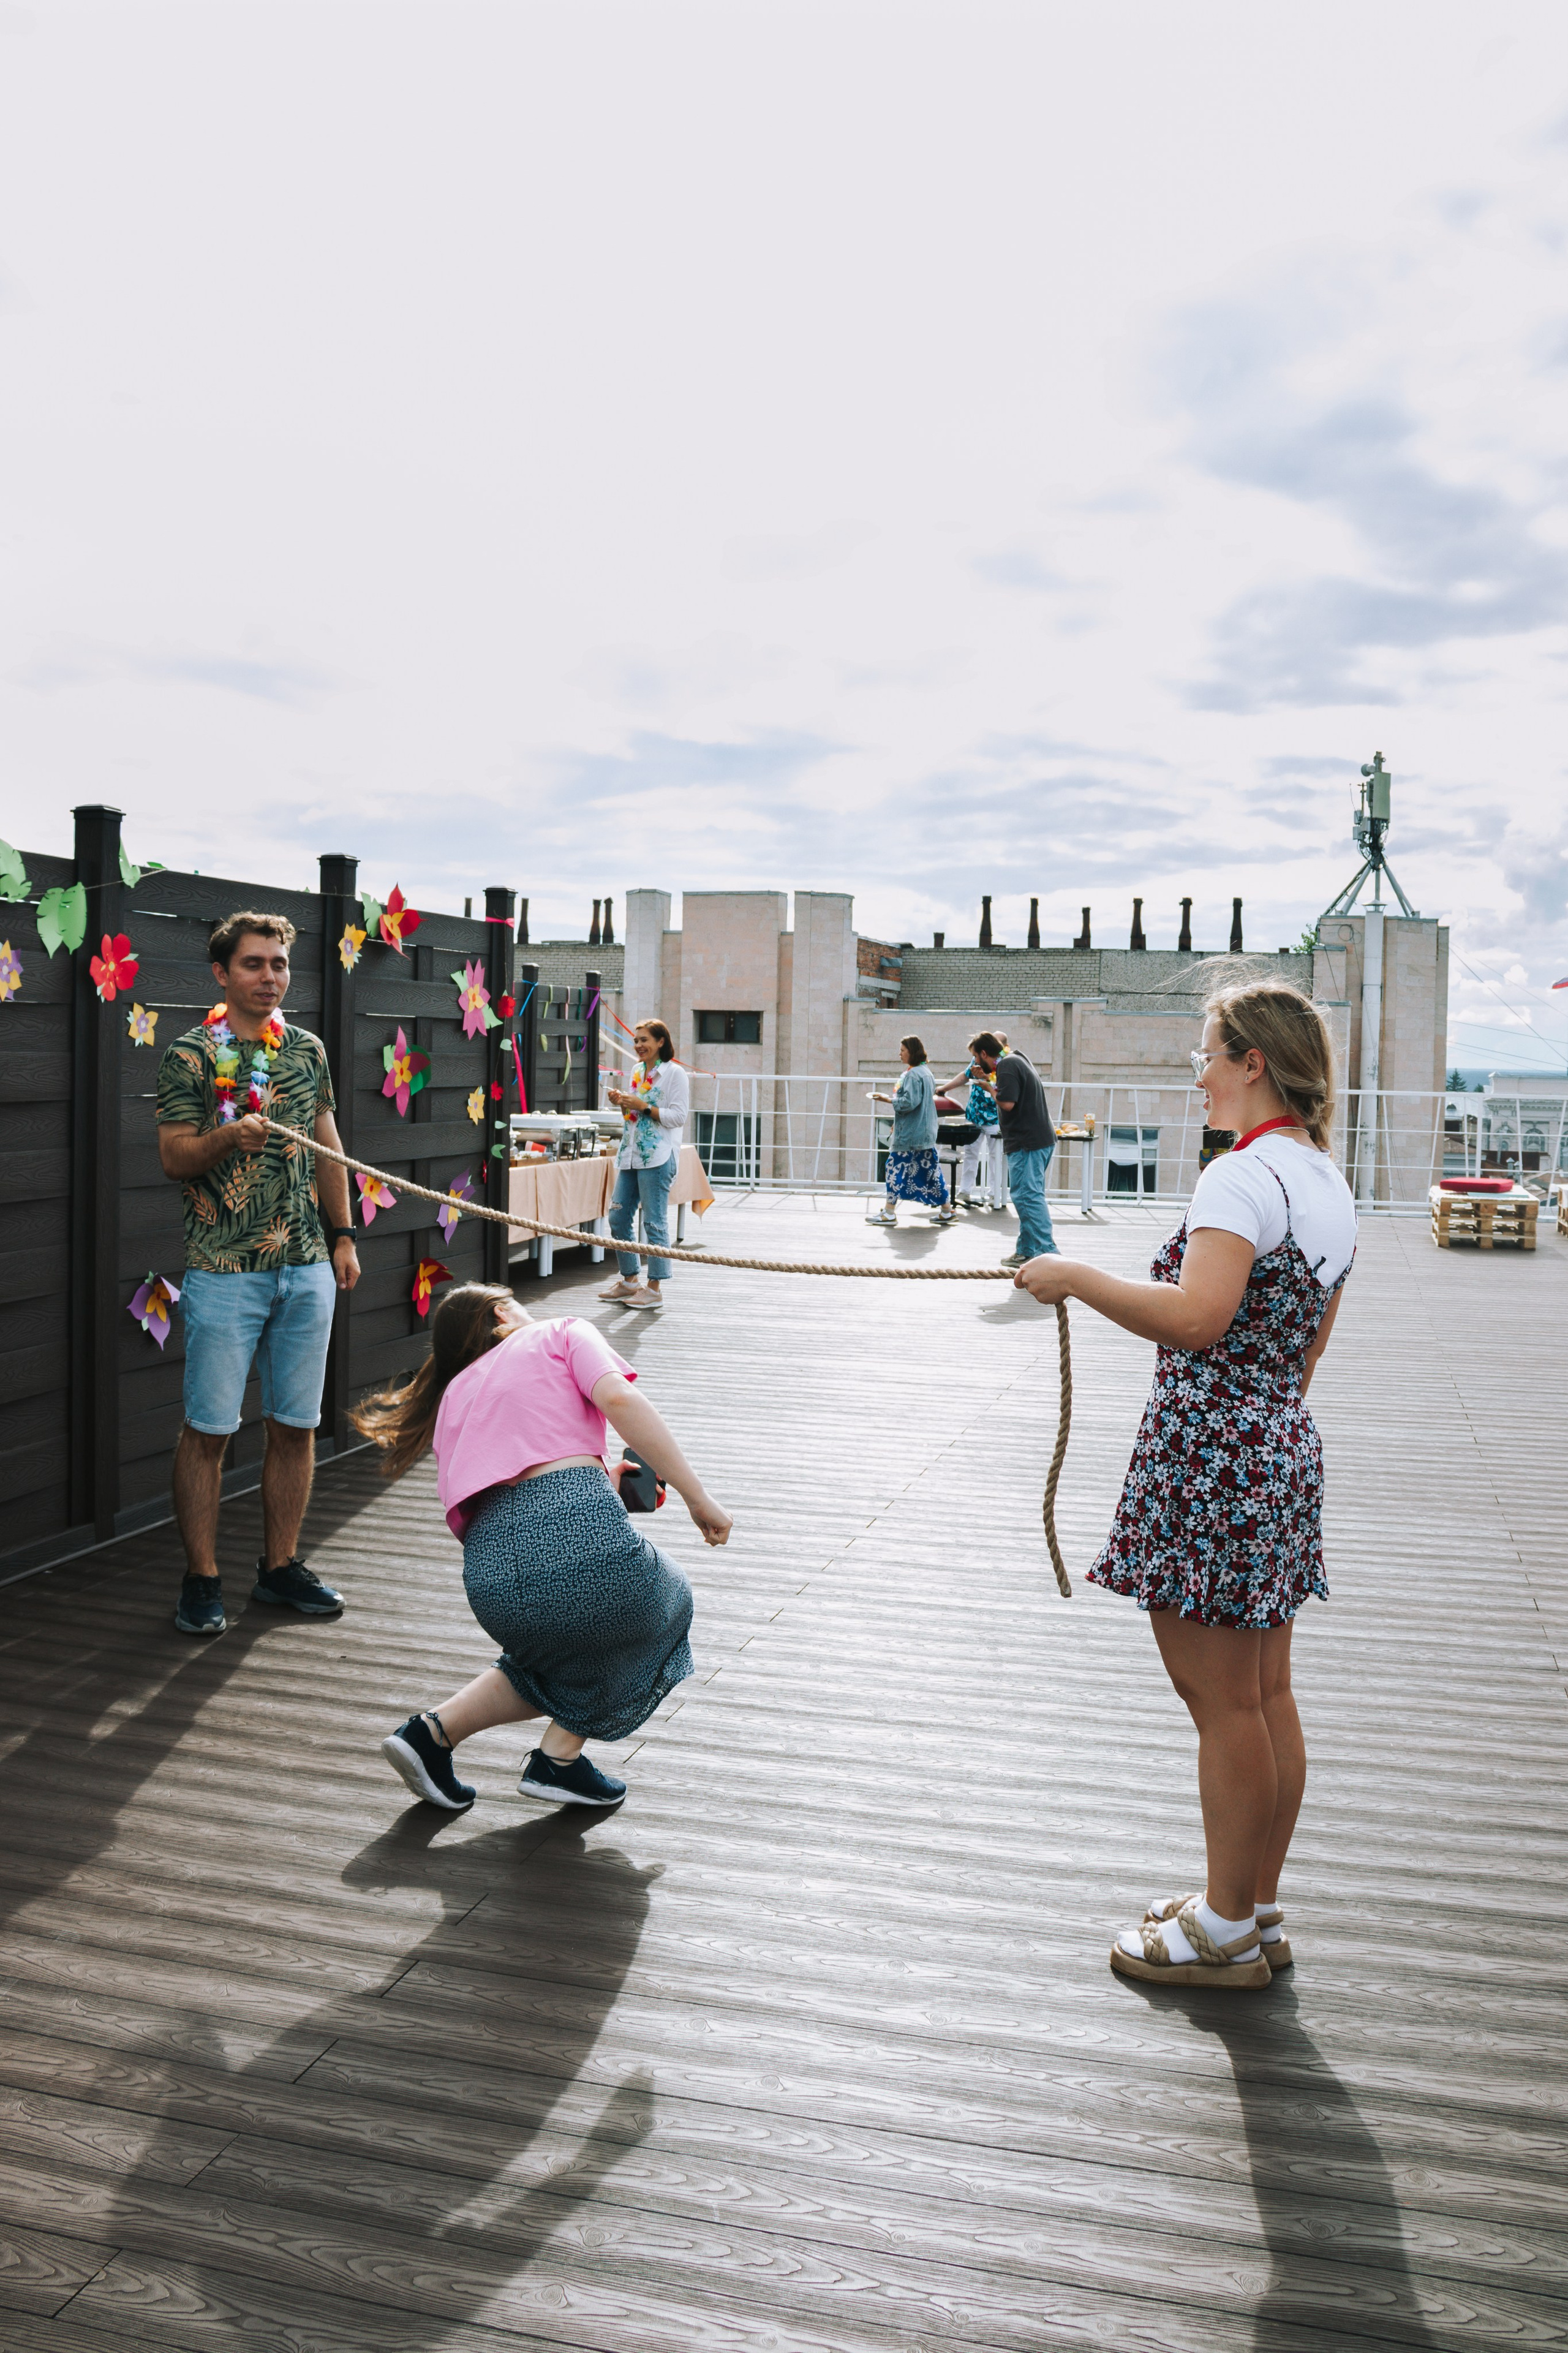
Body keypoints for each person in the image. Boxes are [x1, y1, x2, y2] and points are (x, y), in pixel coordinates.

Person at [1016, 978, 1356, 1989]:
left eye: (1207, 1056)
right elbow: (1304, 1352)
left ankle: (1221, 1931)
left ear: (1253, 1061)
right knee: (1266, 1694)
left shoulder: (1239, 1178)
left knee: (1223, 1705)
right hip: (1279, 1447)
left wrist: (1073, 1275)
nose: (1199, 1076)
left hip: (1209, 1458)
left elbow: (1200, 1317)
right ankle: (1252, 1906)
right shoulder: (1325, 1179)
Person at [353, 1282, 731, 1811]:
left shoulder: (454, 1394)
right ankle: (559, 1759)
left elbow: (513, 1483)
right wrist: (698, 1497)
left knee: (556, 1652)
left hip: (489, 1578)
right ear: (501, 1313)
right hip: (577, 1542)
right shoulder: (561, 1333)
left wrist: (602, 1483)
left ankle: (430, 1735)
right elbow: (619, 1399)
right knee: (666, 1601)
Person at [156, 912, 361, 1636]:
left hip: (307, 1266)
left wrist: (343, 1235)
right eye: (254, 963)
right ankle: (201, 1579)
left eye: (279, 963)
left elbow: (330, 1147)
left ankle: (279, 1567)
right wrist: (225, 1138)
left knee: (296, 1427)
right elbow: (174, 1156)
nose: (270, 976)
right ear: (222, 973)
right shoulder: (189, 1054)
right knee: (209, 1430)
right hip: (224, 1271)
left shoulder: (306, 1050)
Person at [601, 1019, 689, 1310]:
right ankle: (630, 1281)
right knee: (617, 1217)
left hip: (658, 1156)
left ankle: (655, 1288)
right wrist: (623, 1103)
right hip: (630, 1154)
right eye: (636, 1041)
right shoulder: (637, 1071)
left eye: (644, 1040)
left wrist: (642, 1106)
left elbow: (678, 1117)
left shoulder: (675, 1074)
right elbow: (633, 1117)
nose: (638, 1045)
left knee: (654, 1222)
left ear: (661, 1041)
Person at [968, 1031, 1054, 1265]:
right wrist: (990, 1077)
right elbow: (1010, 1089)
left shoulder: (1006, 1065)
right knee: (1027, 1196)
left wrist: (988, 1087)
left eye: (976, 1057)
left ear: (984, 1053)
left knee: (1028, 1197)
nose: (975, 1062)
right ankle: (1026, 1250)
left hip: (1027, 1143)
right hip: (1039, 1139)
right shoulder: (1016, 1058)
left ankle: (1049, 1255)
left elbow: (1007, 1103)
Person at [865, 1036, 953, 1227]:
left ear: (912, 1052)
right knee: (931, 1170)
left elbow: (909, 1103)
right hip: (925, 1131)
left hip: (911, 1134)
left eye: (902, 1050)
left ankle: (889, 1212)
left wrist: (887, 1100)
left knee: (894, 1168)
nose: (900, 1054)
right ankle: (947, 1210)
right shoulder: (926, 1072)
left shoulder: (913, 1075)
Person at [938, 1042, 1003, 1209]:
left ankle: (995, 1195)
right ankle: (965, 1191)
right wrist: (944, 1089)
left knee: (995, 1157)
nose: (974, 1058)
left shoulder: (1003, 1063)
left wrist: (987, 1078)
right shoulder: (977, 1061)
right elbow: (964, 1076)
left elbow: (1005, 1086)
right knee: (970, 1154)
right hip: (975, 1115)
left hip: (994, 1118)